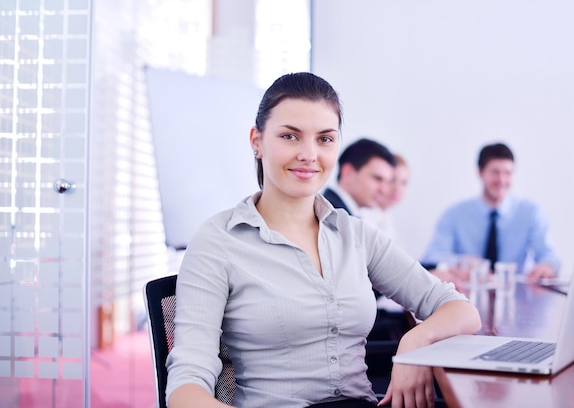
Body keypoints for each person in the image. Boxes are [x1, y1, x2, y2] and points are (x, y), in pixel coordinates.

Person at [166, 72, 481, 408]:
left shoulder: (354, 234)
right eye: (290, 136)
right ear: (256, 141)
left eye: (325, 139)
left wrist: (416, 342)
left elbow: (461, 310)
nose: (309, 154)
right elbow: (185, 391)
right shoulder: (218, 241)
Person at [422, 142, 560, 284]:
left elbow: (548, 254)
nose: (501, 180)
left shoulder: (531, 212)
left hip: (516, 293)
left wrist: (547, 266)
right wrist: (460, 261)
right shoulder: (453, 215)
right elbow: (432, 257)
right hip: (467, 294)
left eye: (508, 173)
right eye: (495, 172)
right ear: (480, 172)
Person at [322, 138, 396, 218]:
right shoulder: (330, 217)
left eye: (388, 182)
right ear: (348, 173)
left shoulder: (343, 215)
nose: (383, 190)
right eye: (377, 179)